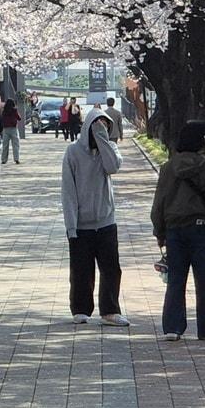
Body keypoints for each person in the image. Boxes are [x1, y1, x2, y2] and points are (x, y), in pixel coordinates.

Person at [150, 120, 205, 341]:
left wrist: (160, 232)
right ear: (200, 139)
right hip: (201, 231)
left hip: (174, 232)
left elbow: (159, 202)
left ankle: (172, 328)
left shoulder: (168, 167)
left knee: (175, 280)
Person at [61, 108, 128, 326]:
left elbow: (113, 167)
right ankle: (80, 309)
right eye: (97, 126)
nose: (101, 130)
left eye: (105, 126)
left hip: (106, 221)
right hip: (81, 223)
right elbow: (68, 191)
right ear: (87, 127)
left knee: (111, 268)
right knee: (81, 269)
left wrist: (102, 140)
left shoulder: (109, 149)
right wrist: (71, 225)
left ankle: (110, 310)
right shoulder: (73, 152)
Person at [0, 98, 23, 164]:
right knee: (15, 145)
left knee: (5, 145)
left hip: (6, 129)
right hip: (13, 129)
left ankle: (4, 160)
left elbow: (2, 119)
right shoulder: (14, 110)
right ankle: (16, 159)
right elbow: (19, 118)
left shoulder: (4, 111)